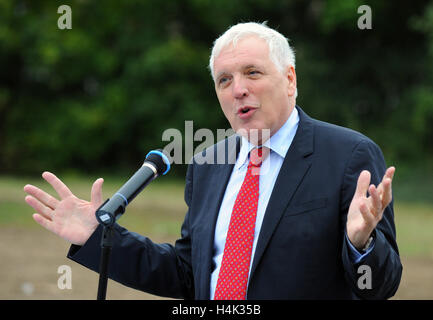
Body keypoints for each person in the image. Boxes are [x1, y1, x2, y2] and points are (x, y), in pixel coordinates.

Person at [23, 22, 402, 299]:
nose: (238, 89)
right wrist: (100, 237)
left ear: (289, 79)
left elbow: (381, 285)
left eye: (252, 73)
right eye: (224, 80)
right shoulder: (208, 163)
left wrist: (361, 243)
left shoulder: (349, 155)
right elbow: (188, 275)